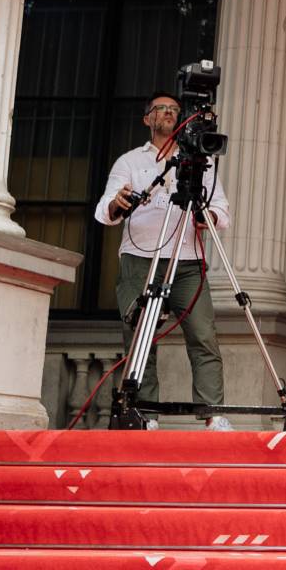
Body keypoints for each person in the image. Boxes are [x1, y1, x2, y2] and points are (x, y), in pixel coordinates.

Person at [94, 90, 229, 406]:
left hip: (187, 262)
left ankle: (212, 414)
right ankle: (144, 414)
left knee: (204, 338)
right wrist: (117, 203)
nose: (169, 112)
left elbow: (222, 210)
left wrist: (205, 215)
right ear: (147, 118)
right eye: (161, 108)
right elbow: (104, 208)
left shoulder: (201, 162)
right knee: (140, 340)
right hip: (141, 261)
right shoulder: (130, 161)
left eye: (174, 109)